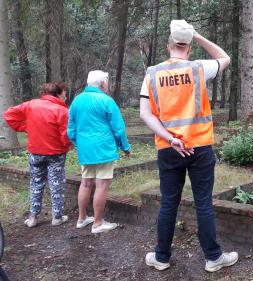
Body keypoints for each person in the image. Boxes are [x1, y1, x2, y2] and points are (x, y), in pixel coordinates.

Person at [140, 19, 237, 273]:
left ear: (168, 45)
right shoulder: (199, 68)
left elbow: (146, 114)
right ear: (189, 47)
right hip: (200, 146)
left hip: (168, 148)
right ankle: (213, 258)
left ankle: (161, 258)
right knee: (203, 203)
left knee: (169, 203)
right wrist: (199, 36)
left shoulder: (152, 73)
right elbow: (224, 57)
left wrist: (170, 138)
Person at [67, 70, 131, 234]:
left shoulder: (76, 101)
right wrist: (125, 147)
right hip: (104, 149)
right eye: (107, 82)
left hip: (85, 150)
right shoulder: (106, 100)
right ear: (103, 84)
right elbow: (118, 128)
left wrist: (79, 143)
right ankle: (98, 222)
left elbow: (71, 130)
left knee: (86, 182)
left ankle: (82, 219)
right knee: (101, 185)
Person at [4, 82, 72, 227]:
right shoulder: (62, 110)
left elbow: (9, 114)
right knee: (57, 184)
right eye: (65, 94)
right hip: (56, 153)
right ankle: (57, 217)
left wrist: (25, 127)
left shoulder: (31, 105)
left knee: (35, 183)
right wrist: (67, 146)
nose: (66, 97)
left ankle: (33, 218)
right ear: (58, 94)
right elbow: (65, 135)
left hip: (35, 152)